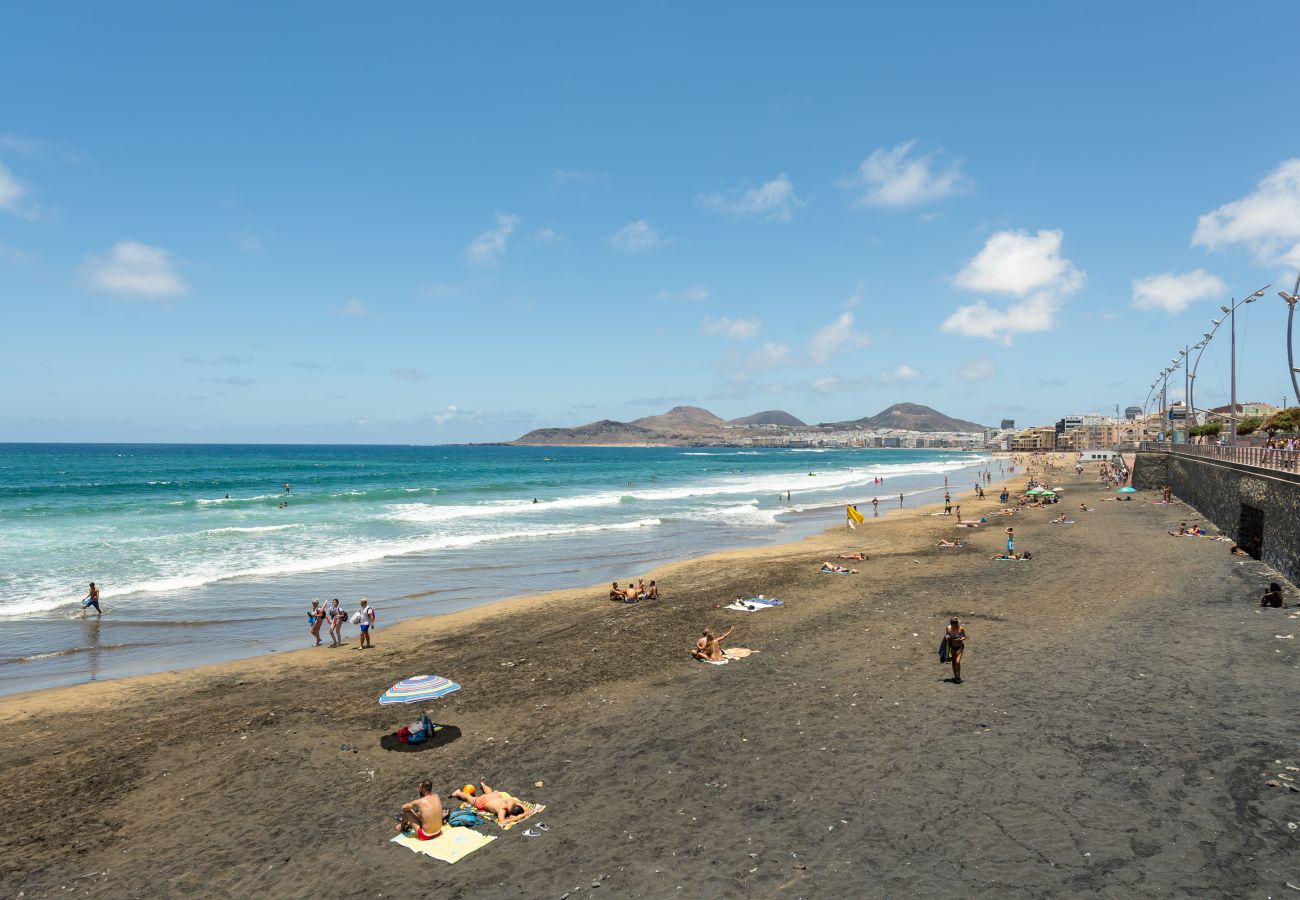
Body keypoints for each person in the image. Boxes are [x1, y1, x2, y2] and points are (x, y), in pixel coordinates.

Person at [451, 781, 529, 825]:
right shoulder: (503, 809)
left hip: (495, 796)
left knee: (489, 793)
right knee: (470, 798)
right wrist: (518, 818)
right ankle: (458, 793)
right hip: (483, 801)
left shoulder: (513, 802)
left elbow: (527, 809)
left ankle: (483, 785)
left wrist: (522, 814)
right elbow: (502, 822)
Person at [944, 617, 968, 683]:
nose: (953, 626)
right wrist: (947, 637)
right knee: (953, 662)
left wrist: (960, 639)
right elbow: (946, 636)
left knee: (957, 662)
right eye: (952, 624)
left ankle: (959, 676)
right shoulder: (948, 628)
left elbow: (965, 637)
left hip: (959, 647)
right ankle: (955, 676)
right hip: (952, 647)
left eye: (955, 624)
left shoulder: (960, 629)